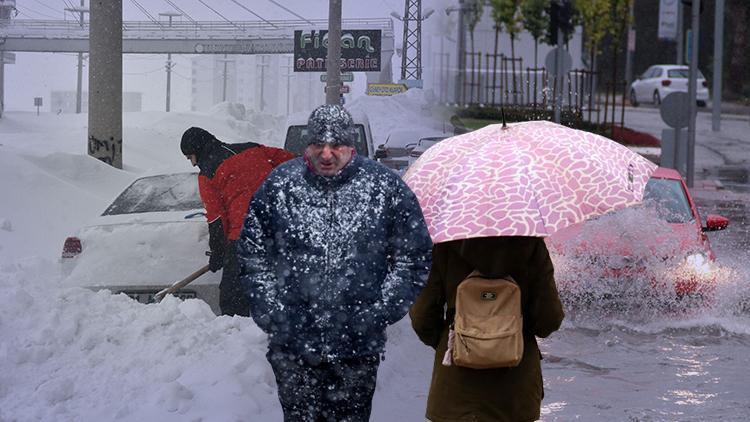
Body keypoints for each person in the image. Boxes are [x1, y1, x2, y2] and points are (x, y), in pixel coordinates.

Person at [237, 104, 432, 421]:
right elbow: (253, 254)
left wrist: (380, 311)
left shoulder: (384, 189)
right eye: (318, 145)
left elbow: (413, 257)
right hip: (293, 347)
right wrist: (271, 312)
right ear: (306, 146)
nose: (326, 154)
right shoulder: (279, 187)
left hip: (357, 348)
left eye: (336, 146)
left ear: (351, 146)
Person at [410, 236, 564, 422]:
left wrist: (455, 343)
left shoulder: (445, 244)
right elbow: (549, 319)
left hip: (456, 393)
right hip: (515, 394)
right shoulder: (532, 245)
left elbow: (421, 316)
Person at [180, 127, 294, 317]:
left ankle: (238, 338)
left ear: (197, 150)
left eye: (189, 157)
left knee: (233, 299)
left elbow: (217, 219)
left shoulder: (207, 174)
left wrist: (218, 253)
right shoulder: (253, 149)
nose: (192, 164)